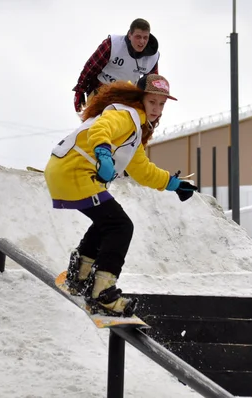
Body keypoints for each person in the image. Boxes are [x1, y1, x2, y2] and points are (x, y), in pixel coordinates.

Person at [46, 74, 197, 316]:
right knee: (121, 226)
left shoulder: (134, 127)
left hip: (64, 169)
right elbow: (102, 128)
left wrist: (173, 183)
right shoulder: (126, 114)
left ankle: (80, 276)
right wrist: (103, 153)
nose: (157, 110)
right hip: (74, 171)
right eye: (152, 102)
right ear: (140, 98)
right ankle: (102, 294)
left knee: (107, 221)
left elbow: (142, 170)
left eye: (161, 104)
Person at [72, 18, 160, 113]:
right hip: (101, 90)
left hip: (127, 96)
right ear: (130, 35)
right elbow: (91, 67)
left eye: (145, 38)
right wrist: (80, 90)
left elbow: (152, 85)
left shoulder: (152, 57)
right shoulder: (113, 45)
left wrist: (152, 105)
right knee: (99, 119)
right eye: (138, 37)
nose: (142, 42)